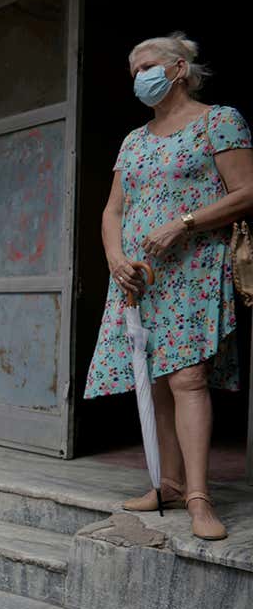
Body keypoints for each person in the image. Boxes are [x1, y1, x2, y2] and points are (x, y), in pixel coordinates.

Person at [85, 33, 253, 541]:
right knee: (152, 379)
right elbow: (113, 210)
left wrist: (184, 222)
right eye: (134, 71)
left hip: (194, 268)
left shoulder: (219, 120)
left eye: (148, 66)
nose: (140, 78)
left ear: (179, 69)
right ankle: (169, 483)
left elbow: (247, 192)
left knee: (187, 381)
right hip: (138, 277)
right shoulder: (133, 139)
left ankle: (200, 496)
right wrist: (116, 258)